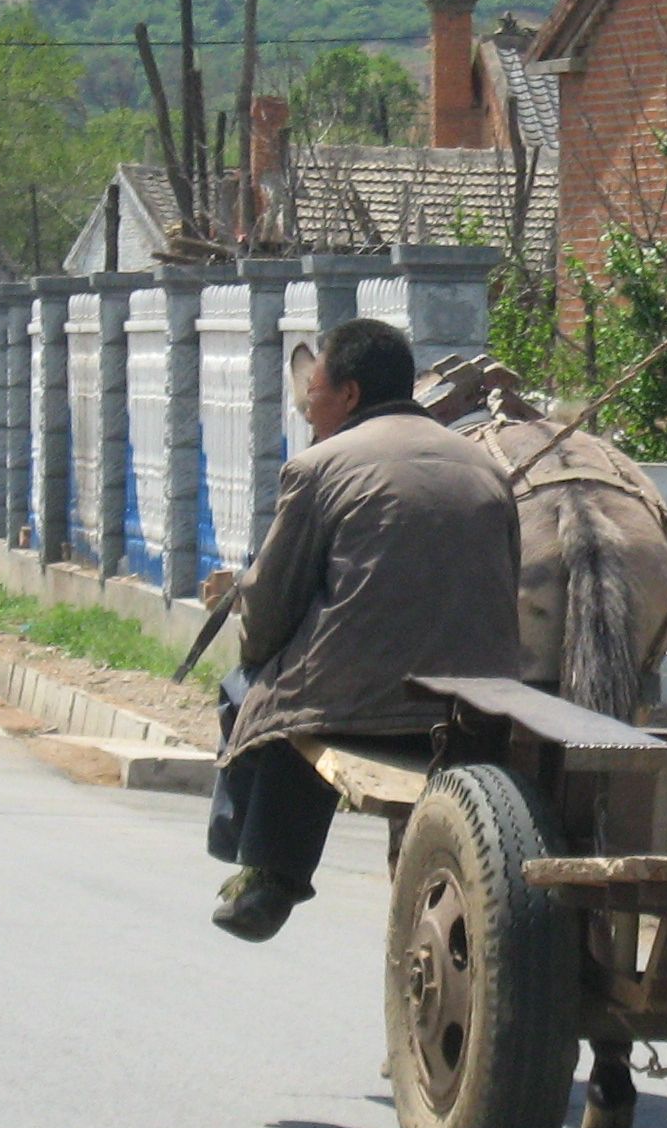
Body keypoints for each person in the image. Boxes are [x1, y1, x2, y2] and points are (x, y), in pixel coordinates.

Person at [200, 317, 522, 942]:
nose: (309, 403)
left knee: (250, 690)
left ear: (348, 395)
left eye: (314, 388)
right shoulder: (484, 466)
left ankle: (268, 875)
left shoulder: (319, 467)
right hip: (481, 707)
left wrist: (262, 659)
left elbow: (268, 607)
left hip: (360, 704)